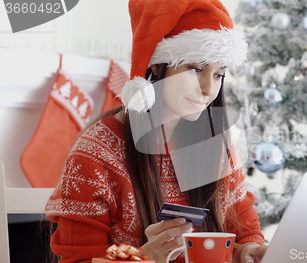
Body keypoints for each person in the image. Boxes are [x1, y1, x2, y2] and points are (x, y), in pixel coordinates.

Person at [45, 0, 268, 262]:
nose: (209, 88)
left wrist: (248, 250)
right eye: (196, 69)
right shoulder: (96, 154)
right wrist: (144, 258)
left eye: (219, 74)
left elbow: (244, 233)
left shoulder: (217, 149)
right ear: (156, 65)